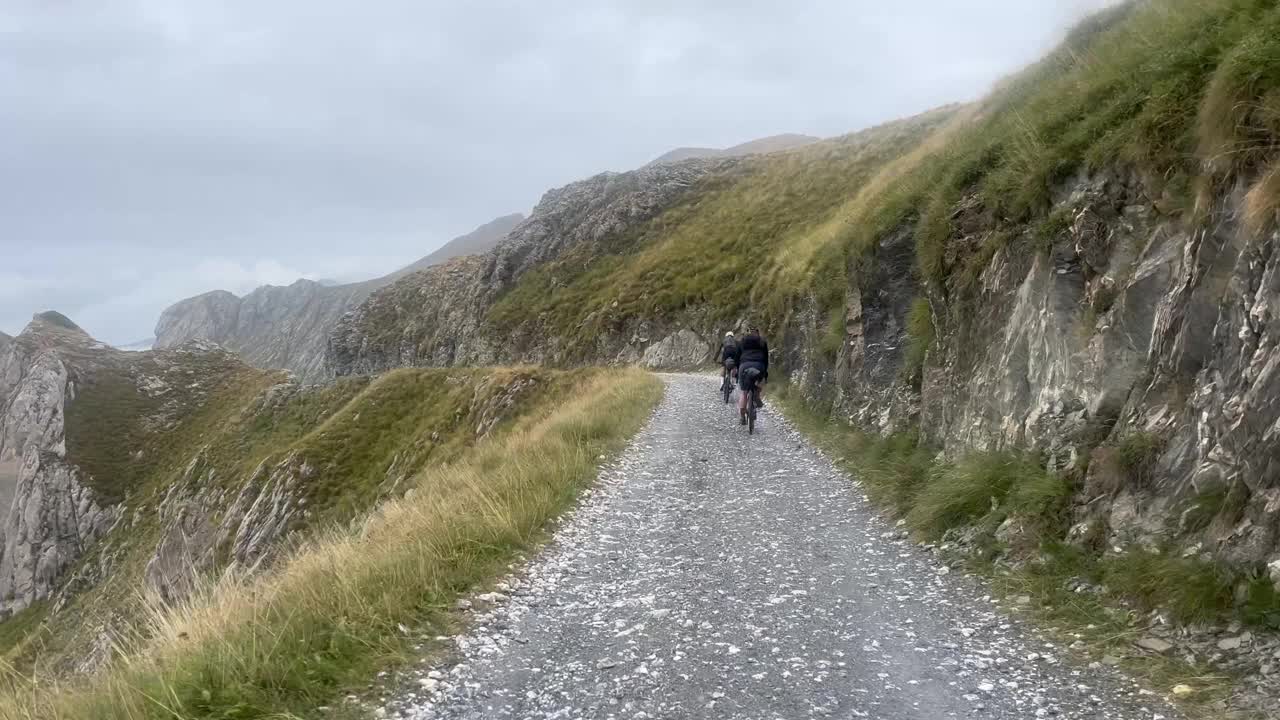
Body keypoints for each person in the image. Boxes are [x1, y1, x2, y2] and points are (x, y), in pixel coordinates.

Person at [737, 326, 769, 423]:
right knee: (760, 381)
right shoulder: (762, 342)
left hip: (744, 365)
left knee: (744, 392)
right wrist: (765, 373)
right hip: (758, 365)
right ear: (757, 333)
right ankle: (757, 395)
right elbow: (766, 358)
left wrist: (738, 370)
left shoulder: (742, 341)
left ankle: (742, 417)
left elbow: (738, 357)